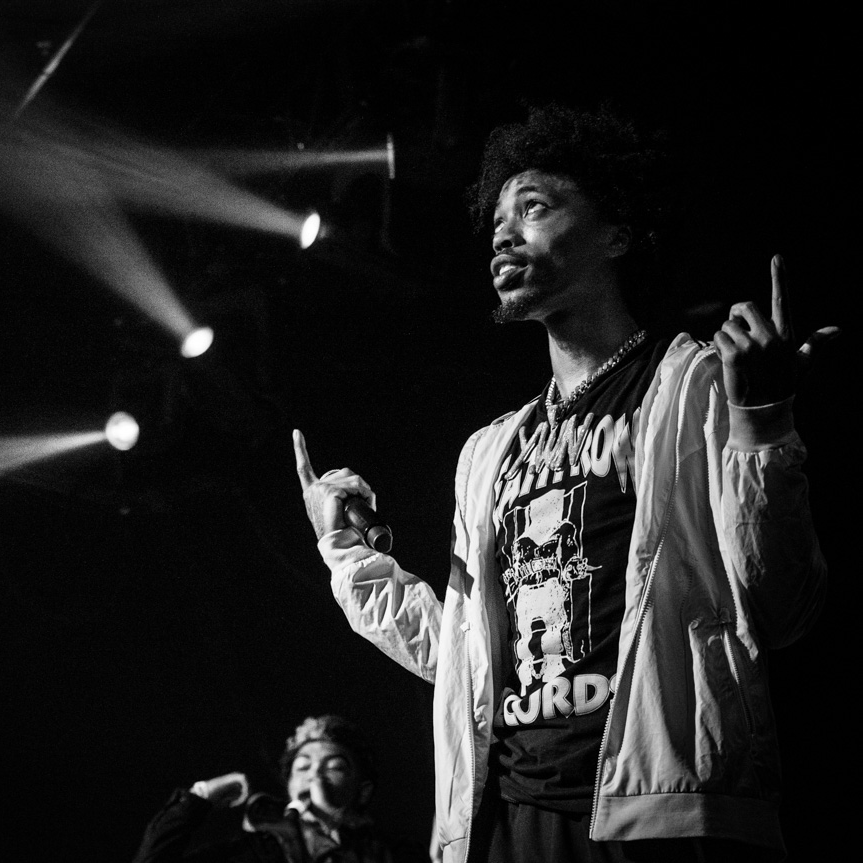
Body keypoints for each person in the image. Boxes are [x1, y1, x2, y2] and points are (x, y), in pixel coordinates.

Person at [292, 104, 837, 862]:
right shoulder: (489, 451)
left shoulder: (692, 384)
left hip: (659, 813)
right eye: (498, 221)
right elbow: (462, 657)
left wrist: (763, 420)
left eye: (536, 207)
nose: (504, 233)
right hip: (506, 824)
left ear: (615, 233)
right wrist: (345, 550)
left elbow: (781, 603)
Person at [132, 715, 395, 863]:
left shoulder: (391, 853)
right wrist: (198, 797)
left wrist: (331, 827)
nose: (315, 774)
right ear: (290, 786)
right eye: (303, 767)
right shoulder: (255, 851)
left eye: (334, 767)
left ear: (363, 790)